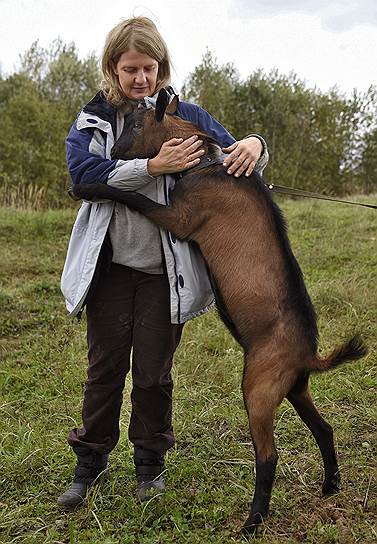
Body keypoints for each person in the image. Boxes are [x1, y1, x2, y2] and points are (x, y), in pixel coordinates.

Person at [58, 16, 269, 509]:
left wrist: (256, 145)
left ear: (161, 67)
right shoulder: (94, 120)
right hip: (110, 270)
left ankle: (149, 467)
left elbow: (237, 155)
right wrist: (153, 167)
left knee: (154, 374)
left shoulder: (185, 114)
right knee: (103, 371)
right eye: (130, 68)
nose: (140, 79)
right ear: (113, 68)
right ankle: (89, 463)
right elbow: (83, 177)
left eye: (149, 68)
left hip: (165, 275)